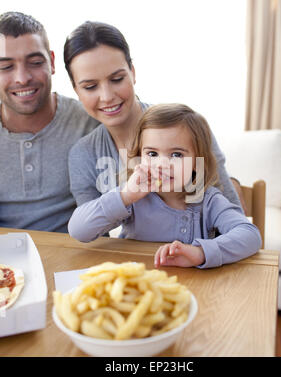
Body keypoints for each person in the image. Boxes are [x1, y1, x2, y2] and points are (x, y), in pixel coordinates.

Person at [64, 21, 246, 214]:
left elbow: (233, 219)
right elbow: (91, 233)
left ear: (132, 73)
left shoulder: (188, 128)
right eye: (90, 87)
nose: (107, 96)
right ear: (76, 89)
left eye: (117, 79)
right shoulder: (82, 155)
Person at [68, 103, 261, 269]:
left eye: (176, 154)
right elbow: (78, 230)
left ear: (197, 161)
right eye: (152, 154)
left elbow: (250, 236)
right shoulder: (133, 198)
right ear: (139, 156)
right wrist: (125, 196)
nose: (161, 164)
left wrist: (200, 253)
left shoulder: (209, 201)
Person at [0, 12, 98, 232]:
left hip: (75, 260)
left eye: (35, 62)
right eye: (6, 67)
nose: (22, 78)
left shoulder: (91, 121)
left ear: (52, 62)